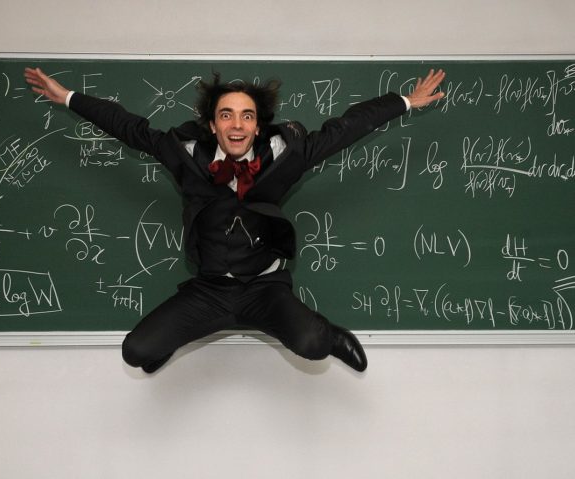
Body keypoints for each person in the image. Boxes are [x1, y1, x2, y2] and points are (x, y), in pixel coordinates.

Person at [25, 66, 445, 374]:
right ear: (213, 125)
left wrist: (405, 101)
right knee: (136, 352)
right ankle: (174, 338)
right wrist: (69, 97)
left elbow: (345, 130)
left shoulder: (287, 154)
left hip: (265, 288)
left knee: (314, 346)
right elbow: (129, 128)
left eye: (247, 115)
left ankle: (330, 335)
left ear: (258, 126)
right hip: (209, 290)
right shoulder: (185, 153)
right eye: (226, 115)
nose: (237, 124)